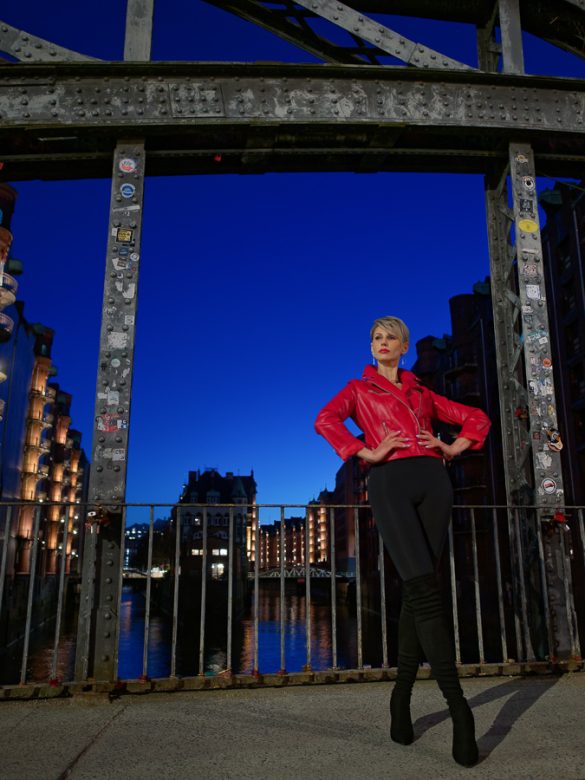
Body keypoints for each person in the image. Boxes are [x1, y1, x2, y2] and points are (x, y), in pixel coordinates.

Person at [314, 316, 491, 767]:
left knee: (420, 591)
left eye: (391, 336)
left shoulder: (422, 392)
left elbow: (476, 416)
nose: (382, 342)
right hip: (389, 482)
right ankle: (460, 711)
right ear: (371, 347)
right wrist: (363, 451)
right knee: (424, 592)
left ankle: (401, 699)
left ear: (404, 346)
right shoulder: (358, 390)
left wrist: (453, 447)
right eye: (376, 337)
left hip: (434, 480)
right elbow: (325, 419)